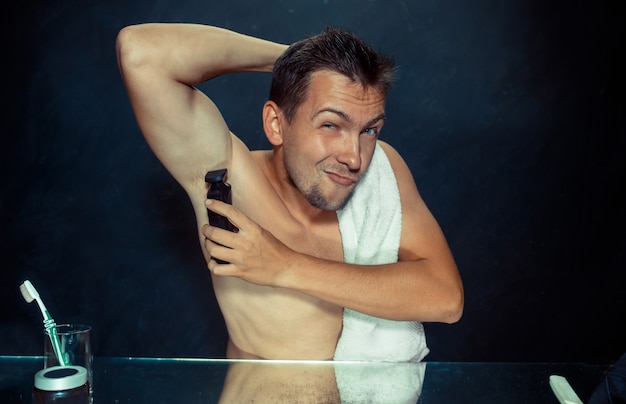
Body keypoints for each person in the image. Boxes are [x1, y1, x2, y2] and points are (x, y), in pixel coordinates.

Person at [116, 23, 463, 360]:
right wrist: (293, 62)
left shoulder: (383, 170)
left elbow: (446, 297)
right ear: (276, 124)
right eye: (330, 124)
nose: (355, 157)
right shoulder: (228, 177)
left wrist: (285, 266)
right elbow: (141, 51)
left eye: (370, 130)